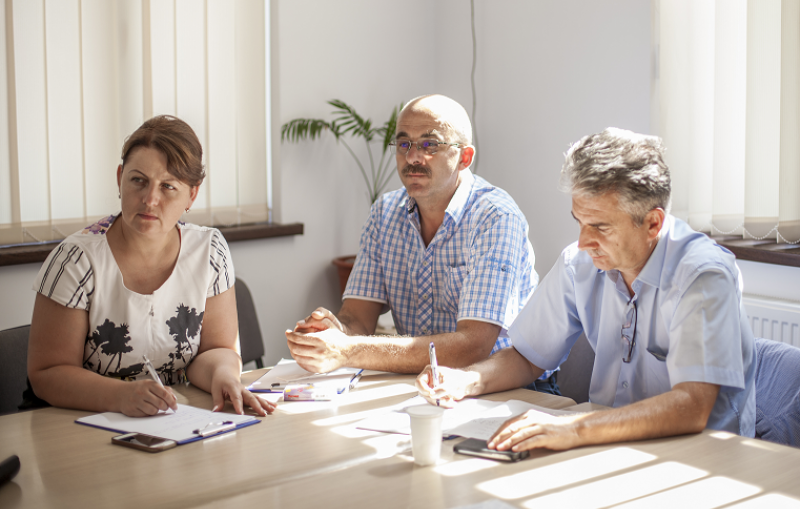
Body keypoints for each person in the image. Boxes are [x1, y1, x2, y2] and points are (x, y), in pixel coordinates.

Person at [416, 127, 756, 452]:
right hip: (608, 442)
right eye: (579, 222)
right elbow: (527, 357)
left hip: (699, 458)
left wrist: (574, 428)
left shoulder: (703, 277)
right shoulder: (581, 262)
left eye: (600, 227)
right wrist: (466, 380)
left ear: (653, 223)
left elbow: (692, 406)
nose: (583, 242)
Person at [286, 94, 553, 388]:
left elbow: (473, 347)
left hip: (509, 390)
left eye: (429, 145)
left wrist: (348, 350)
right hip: (424, 384)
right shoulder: (385, 213)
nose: (413, 157)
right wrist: (334, 331)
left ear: (464, 157)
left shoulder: (495, 218)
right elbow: (357, 319)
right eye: (404, 144)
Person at [27, 115, 275, 417]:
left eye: (168, 187)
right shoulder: (76, 260)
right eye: (138, 181)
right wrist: (120, 396)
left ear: (192, 194)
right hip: (82, 423)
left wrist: (223, 375)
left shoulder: (210, 251)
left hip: (174, 419)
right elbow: (47, 373)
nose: (149, 199)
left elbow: (216, 351)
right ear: (120, 178)